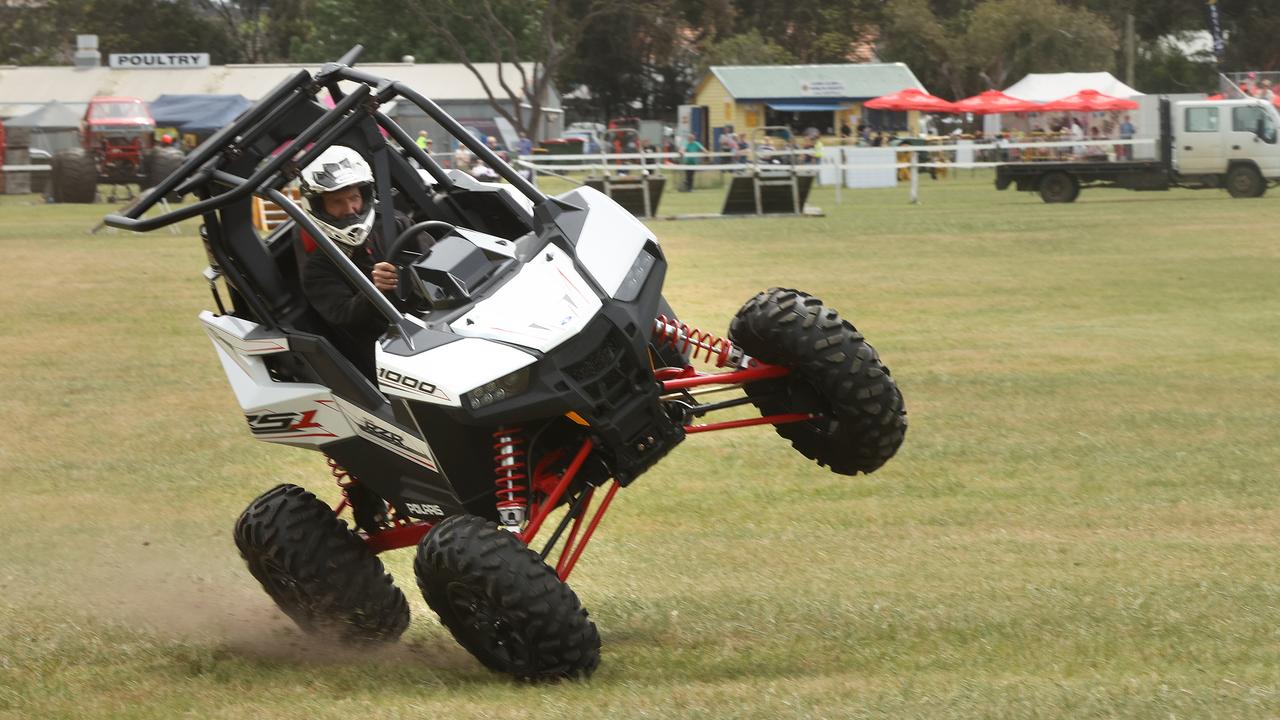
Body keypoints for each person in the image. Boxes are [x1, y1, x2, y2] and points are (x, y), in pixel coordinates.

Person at [299, 145, 436, 379]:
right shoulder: (318, 266)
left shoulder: (394, 224)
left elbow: (435, 261)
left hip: (433, 322)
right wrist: (375, 292)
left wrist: (408, 277)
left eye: (354, 198)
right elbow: (343, 317)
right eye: (337, 202)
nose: (350, 209)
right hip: (386, 353)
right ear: (320, 208)